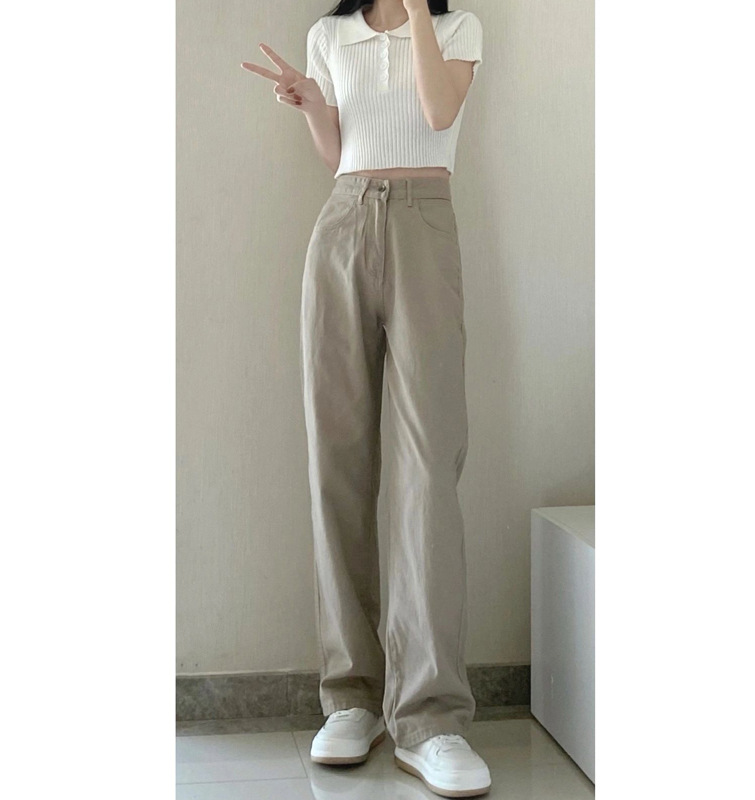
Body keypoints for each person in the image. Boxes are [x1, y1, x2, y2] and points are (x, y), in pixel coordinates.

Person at [242, 1, 488, 795]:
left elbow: (438, 112)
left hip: (425, 225)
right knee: (338, 465)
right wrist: (315, 106)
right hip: (344, 226)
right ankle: (350, 697)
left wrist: (416, 13)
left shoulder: (458, 28)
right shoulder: (328, 35)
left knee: (428, 473)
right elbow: (337, 154)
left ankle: (431, 716)